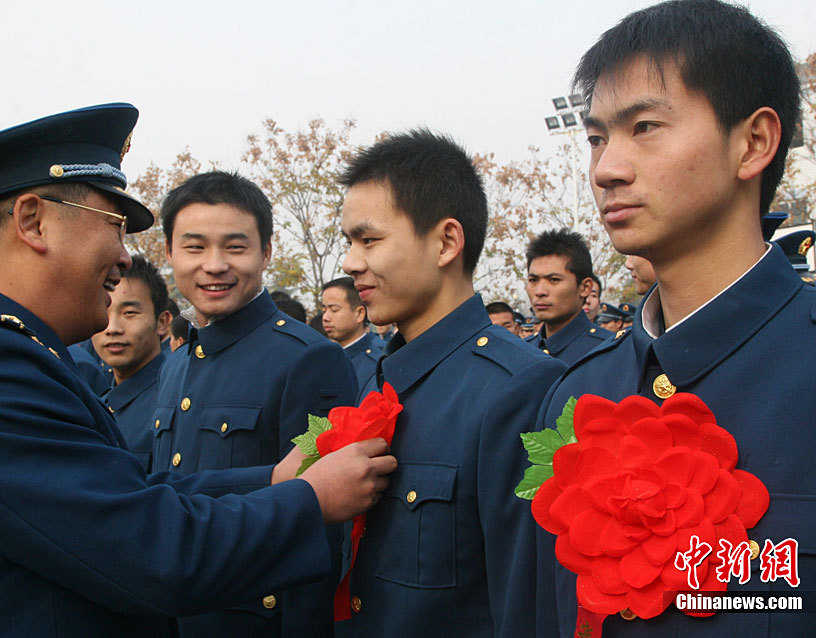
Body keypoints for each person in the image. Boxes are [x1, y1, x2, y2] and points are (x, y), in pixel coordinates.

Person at [0, 103, 396, 637]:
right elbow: (149, 546)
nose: (124, 256)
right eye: (115, 226)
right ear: (33, 221)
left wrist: (272, 479)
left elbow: (129, 492)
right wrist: (311, 500)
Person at [535, 2, 810, 635]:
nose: (606, 170)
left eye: (646, 127)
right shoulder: (577, 395)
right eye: (597, 138)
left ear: (753, 143)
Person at [335, 129, 566, 637]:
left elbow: (524, 607)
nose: (351, 262)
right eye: (349, 242)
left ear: (445, 242)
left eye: (369, 240)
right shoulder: (378, 379)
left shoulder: (520, 389)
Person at [153, 170, 360, 637]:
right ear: (169, 252)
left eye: (235, 247)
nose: (214, 265)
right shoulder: (176, 363)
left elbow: (322, 526)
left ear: (266, 252)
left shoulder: (309, 359)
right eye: (194, 247)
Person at [92, 255, 169, 471]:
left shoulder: (173, 400)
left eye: (130, 313)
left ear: (162, 322)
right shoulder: (100, 403)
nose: (112, 328)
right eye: (104, 309)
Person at [524, 228, 611, 364]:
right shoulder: (522, 351)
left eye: (554, 280)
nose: (539, 291)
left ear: (585, 287)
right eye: (533, 280)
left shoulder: (609, 351)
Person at [322, 276, 385, 390]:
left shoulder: (379, 362)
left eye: (334, 310)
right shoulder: (324, 358)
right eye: (324, 310)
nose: (325, 317)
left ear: (359, 314)